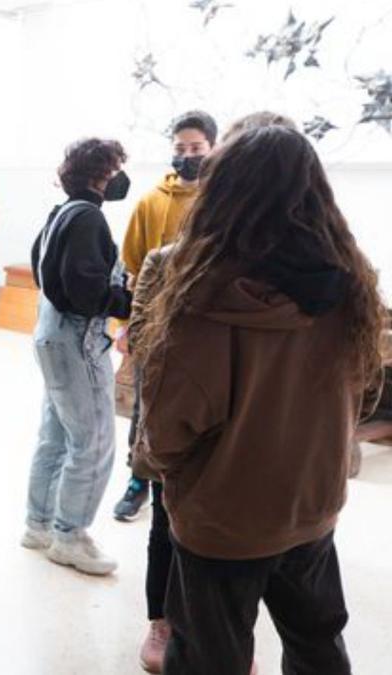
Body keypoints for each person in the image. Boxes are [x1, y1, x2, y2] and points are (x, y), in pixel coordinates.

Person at [134, 124, 383, 675]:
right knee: (318, 645)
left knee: (209, 657)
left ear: (223, 194)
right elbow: (362, 393)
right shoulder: (348, 288)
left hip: (222, 519)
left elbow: (170, 428)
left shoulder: (204, 297)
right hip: (312, 507)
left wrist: (151, 466)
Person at [22, 138, 132, 577]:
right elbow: (85, 288)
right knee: (95, 439)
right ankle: (70, 535)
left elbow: (41, 268)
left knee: (56, 434)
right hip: (76, 339)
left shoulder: (61, 212)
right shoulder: (88, 218)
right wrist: (125, 301)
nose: (122, 176)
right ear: (100, 173)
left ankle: (40, 524)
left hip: (49, 334)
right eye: (117, 168)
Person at [113, 110, 218, 524]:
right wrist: (126, 324)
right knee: (146, 403)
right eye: (180, 149)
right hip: (155, 325)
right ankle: (138, 480)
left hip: (204, 326)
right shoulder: (151, 201)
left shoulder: (219, 200)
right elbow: (133, 266)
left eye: (196, 149)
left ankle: (193, 485)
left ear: (212, 148)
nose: (187, 156)